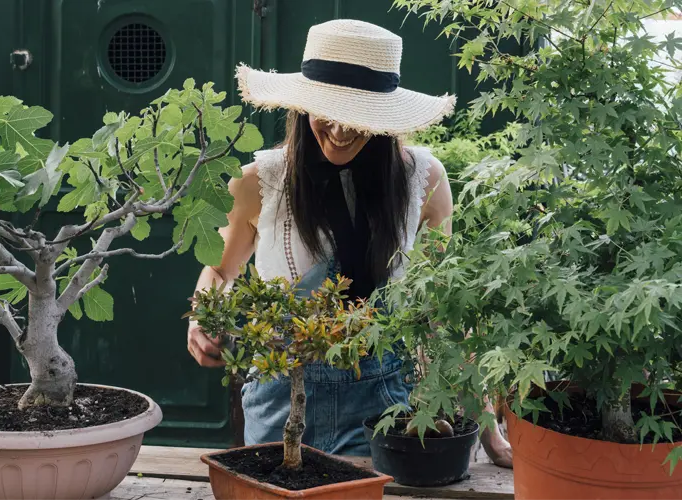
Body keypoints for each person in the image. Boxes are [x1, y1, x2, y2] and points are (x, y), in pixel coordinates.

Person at [186, 19, 513, 467]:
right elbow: (221, 270)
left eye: (357, 115)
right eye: (328, 111)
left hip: (383, 403)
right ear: (303, 106)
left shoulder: (424, 179)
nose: (340, 131)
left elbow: (443, 309)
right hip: (280, 396)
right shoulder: (258, 182)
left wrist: (488, 428)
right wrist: (203, 315)